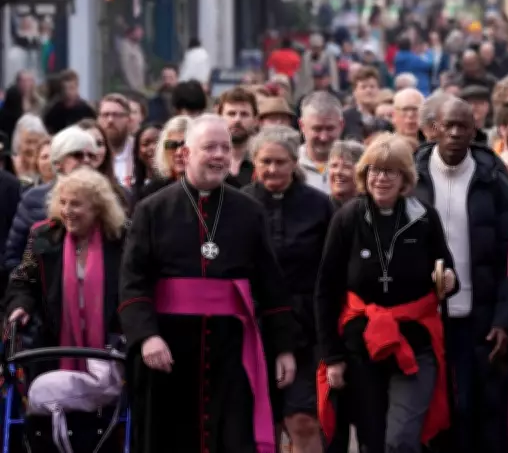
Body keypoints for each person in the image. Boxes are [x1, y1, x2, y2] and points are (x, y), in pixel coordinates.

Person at [118, 114, 299, 453]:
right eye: (210, 147)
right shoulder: (152, 210)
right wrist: (147, 336)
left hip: (231, 349)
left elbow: (270, 283)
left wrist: (284, 347)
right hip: (168, 348)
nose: (219, 155)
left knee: (231, 437)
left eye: (225, 148)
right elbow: (133, 282)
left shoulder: (249, 210)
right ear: (185, 155)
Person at [315, 133, 457, 453]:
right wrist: (333, 357)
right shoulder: (347, 219)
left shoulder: (423, 218)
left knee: (402, 440)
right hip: (362, 346)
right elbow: (326, 290)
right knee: (372, 440)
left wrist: (449, 280)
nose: (381, 178)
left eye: (390, 171)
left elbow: (445, 270)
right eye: (374, 171)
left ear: (405, 177)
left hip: (413, 341)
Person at [414, 98, 508, 453]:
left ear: (475, 131)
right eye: (449, 126)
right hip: (422, 317)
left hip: (478, 318)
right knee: (427, 413)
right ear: (434, 129)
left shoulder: (494, 180)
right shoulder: (412, 176)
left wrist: (505, 320)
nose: (456, 133)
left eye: (464, 126)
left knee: (474, 413)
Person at [242, 126, 334, 453]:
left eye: (281, 162)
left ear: (295, 163)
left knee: (303, 419)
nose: (272, 169)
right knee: (262, 423)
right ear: (254, 162)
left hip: (306, 327)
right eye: (265, 161)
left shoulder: (321, 206)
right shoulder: (239, 205)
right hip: (253, 325)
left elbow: (332, 269)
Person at [6, 168, 127, 372]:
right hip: (53, 344)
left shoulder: (122, 238)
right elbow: (22, 280)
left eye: (76, 204)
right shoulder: (43, 235)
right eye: (63, 202)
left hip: (110, 343)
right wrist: (21, 305)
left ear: (98, 208)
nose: (67, 211)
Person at [4, 126, 96, 274]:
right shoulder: (34, 198)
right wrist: (30, 289)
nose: (86, 161)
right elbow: (14, 256)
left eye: (91, 156)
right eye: (77, 155)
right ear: (58, 162)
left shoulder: (107, 199)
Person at [328, 140, 365, 210]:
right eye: (334, 166)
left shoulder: (370, 209)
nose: (338, 172)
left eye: (346, 167)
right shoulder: (320, 207)